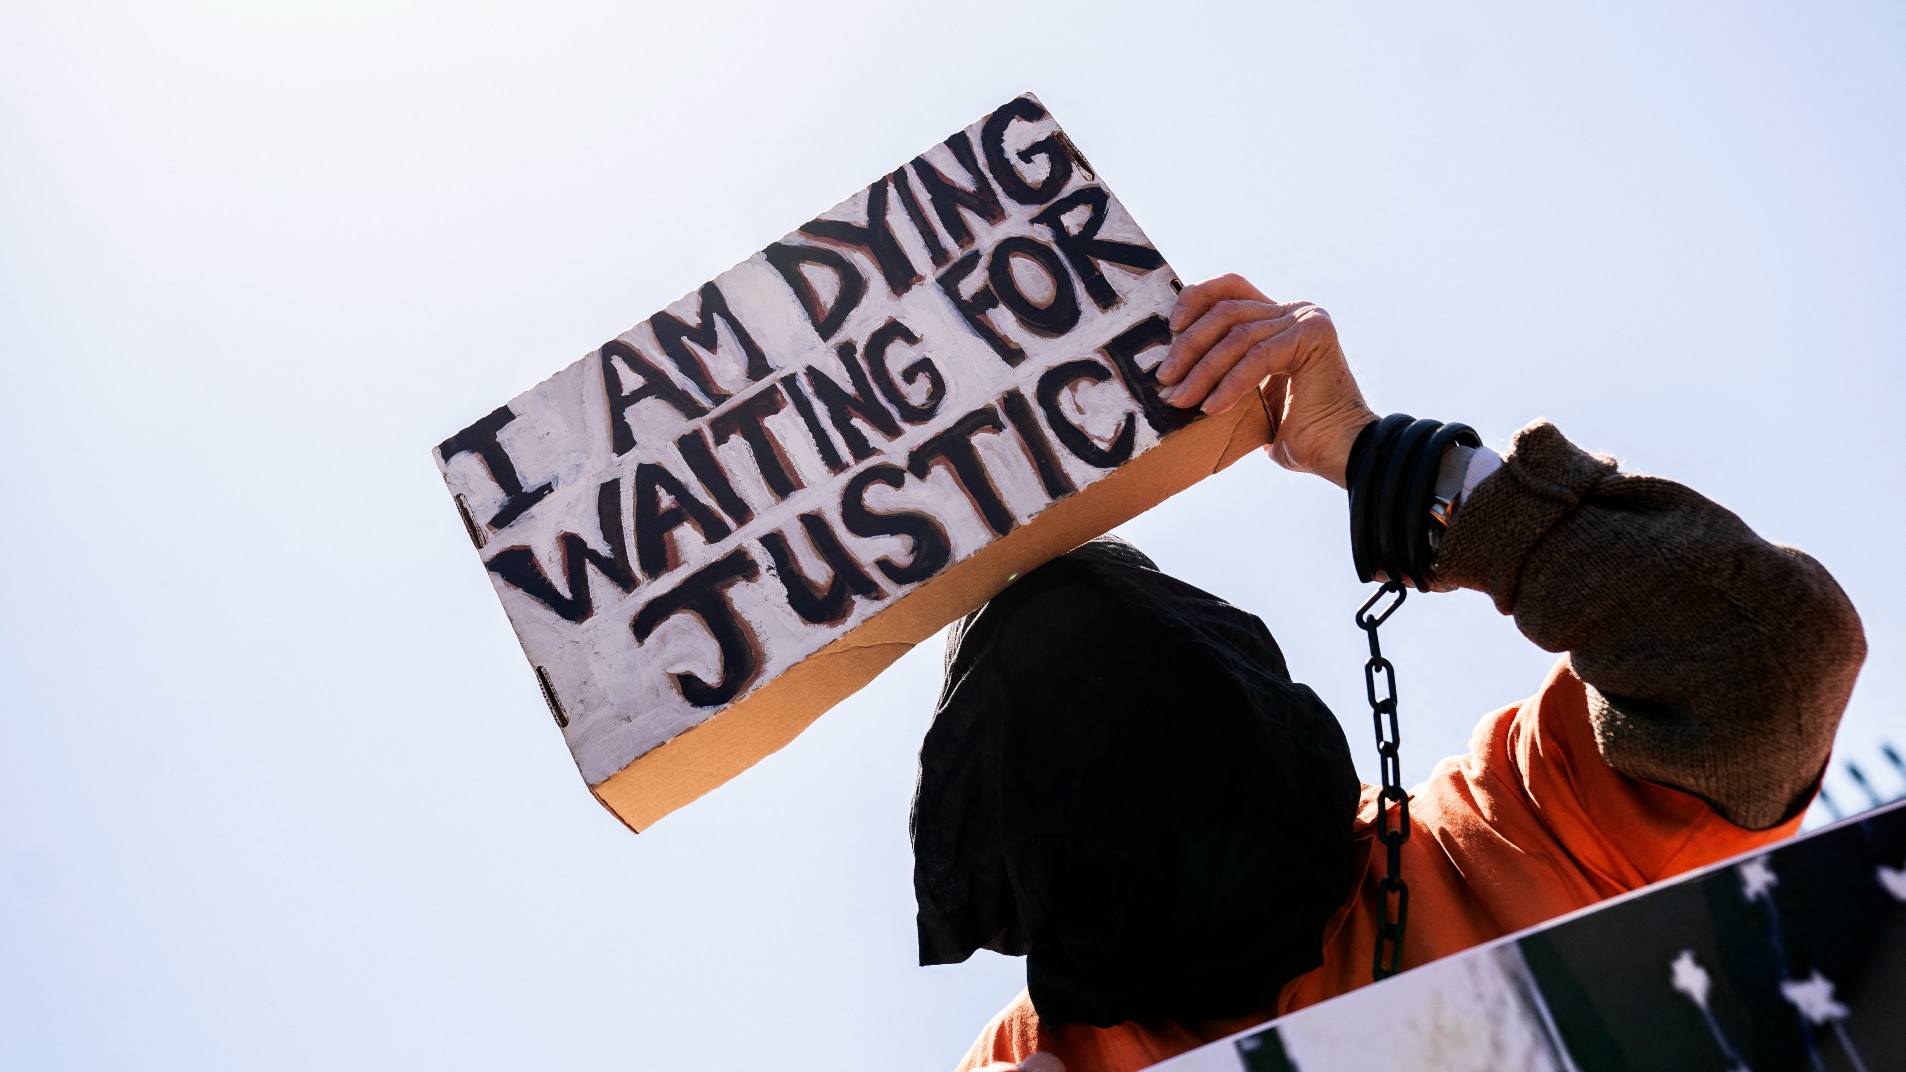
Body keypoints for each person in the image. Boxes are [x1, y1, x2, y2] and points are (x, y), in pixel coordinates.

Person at [911, 274, 1867, 1072]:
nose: (1136, 775)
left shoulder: (1510, 832)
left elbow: (1769, 661)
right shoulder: (1038, 1059)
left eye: (1163, 723)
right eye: (1085, 772)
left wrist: (1383, 456)